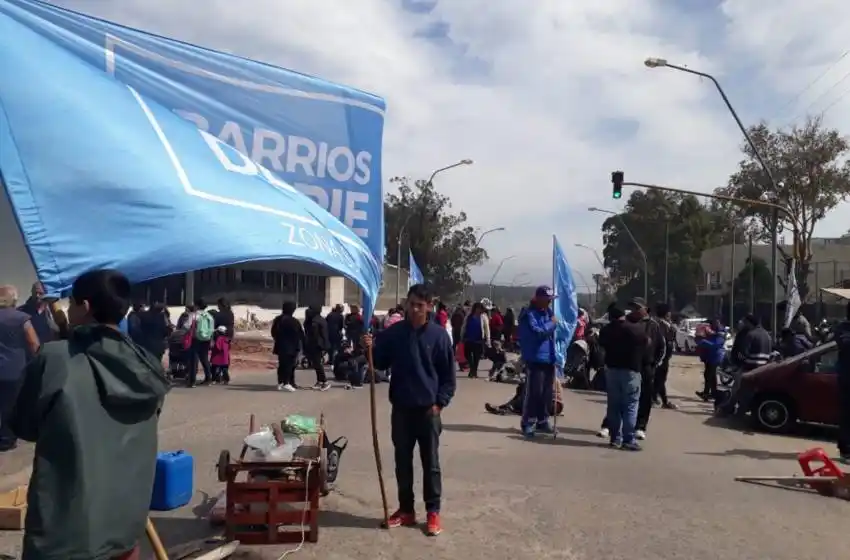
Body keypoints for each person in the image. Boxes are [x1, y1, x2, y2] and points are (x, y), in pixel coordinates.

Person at [10, 269, 168, 560]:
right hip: (125, 525)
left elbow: (24, 425)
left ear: (84, 307)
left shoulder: (55, 358)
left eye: (71, 304)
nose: (68, 310)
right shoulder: (147, 364)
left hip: (66, 533)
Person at [362, 283, 455, 537]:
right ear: (406, 303)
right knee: (402, 462)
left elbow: (448, 376)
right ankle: (406, 510)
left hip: (428, 411)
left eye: (420, 305)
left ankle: (433, 512)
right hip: (401, 409)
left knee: (431, 464)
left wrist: (439, 403)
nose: (414, 309)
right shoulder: (394, 334)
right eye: (411, 304)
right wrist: (369, 347)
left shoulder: (439, 336)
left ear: (429, 307)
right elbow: (379, 362)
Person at [598, 303, 646, 450]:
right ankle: (628, 439)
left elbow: (601, 344)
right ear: (623, 315)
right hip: (630, 372)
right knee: (630, 406)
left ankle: (615, 438)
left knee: (614, 406)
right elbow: (647, 343)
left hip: (612, 371)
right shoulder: (634, 329)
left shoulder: (606, 330)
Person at [0, 285, 40, 452]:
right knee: (12, 405)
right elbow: (33, 343)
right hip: (15, 369)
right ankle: (6, 439)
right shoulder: (21, 318)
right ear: (14, 299)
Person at [517, 286, 558, 438]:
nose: (549, 303)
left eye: (550, 300)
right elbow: (538, 333)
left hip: (549, 358)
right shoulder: (528, 314)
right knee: (535, 392)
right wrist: (552, 324)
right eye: (547, 300)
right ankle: (528, 421)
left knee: (547, 393)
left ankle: (543, 420)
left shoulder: (548, 312)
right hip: (535, 358)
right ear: (539, 299)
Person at [628, 298, 665, 441]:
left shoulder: (653, 326)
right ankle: (624, 425)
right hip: (629, 366)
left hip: (647, 367)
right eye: (632, 308)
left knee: (645, 398)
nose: (634, 311)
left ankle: (640, 427)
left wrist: (654, 364)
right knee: (627, 397)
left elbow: (662, 348)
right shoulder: (627, 322)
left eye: (637, 308)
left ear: (645, 309)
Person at [271, 301, 305, 392]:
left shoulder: (278, 319)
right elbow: (300, 335)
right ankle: (287, 383)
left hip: (280, 345)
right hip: (291, 347)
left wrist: (278, 339)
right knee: (289, 365)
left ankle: (280, 382)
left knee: (282, 364)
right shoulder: (294, 321)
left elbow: (273, 332)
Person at [832, 301, 850, 464]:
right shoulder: (843, 328)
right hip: (847, 378)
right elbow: (844, 344)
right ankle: (845, 449)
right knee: (847, 415)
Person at [653, 303, 677, 409]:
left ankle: (664, 401)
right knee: (660, 379)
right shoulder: (661, 325)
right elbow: (663, 341)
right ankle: (653, 398)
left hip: (664, 357)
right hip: (661, 357)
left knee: (661, 379)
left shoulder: (664, 324)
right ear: (667, 313)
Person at [695, 319, 726, 402]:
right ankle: (712, 393)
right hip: (710, 356)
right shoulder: (713, 331)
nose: (711, 326)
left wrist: (703, 342)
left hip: (715, 356)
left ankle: (707, 394)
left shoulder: (721, 333)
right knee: (710, 375)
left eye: (714, 323)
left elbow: (716, 344)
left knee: (709, 375)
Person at [187, 298, 215, 387]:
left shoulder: (194, 315)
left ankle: (192, 381)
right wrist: (211, 339)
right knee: (205, 359)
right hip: (206, 339)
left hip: (196, 339)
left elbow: (186, 326)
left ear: (197, 305)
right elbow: (211, 329)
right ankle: (208, 379)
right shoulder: (209, 316)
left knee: (194, 360)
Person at [304, 306, 331, 391]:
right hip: (314, 344)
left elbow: (320, 334)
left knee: (318, 363)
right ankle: (319, 381)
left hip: (317, 345)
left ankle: (325, 382)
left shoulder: (317, 321)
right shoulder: (313, 319)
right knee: (315, 363)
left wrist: (324, 345)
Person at [461, 302, 490, 378]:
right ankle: (472, 369)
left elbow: (487, 329)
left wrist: (488, 340)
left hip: (478, 340)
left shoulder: (483, 317)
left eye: (480, 308)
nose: (478, 310)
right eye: (477, 308)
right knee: (467, 355)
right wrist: (462, 336)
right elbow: (464, 326)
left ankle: (474, 371)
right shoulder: (469, 316)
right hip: (468, 339)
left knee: (477, 357)